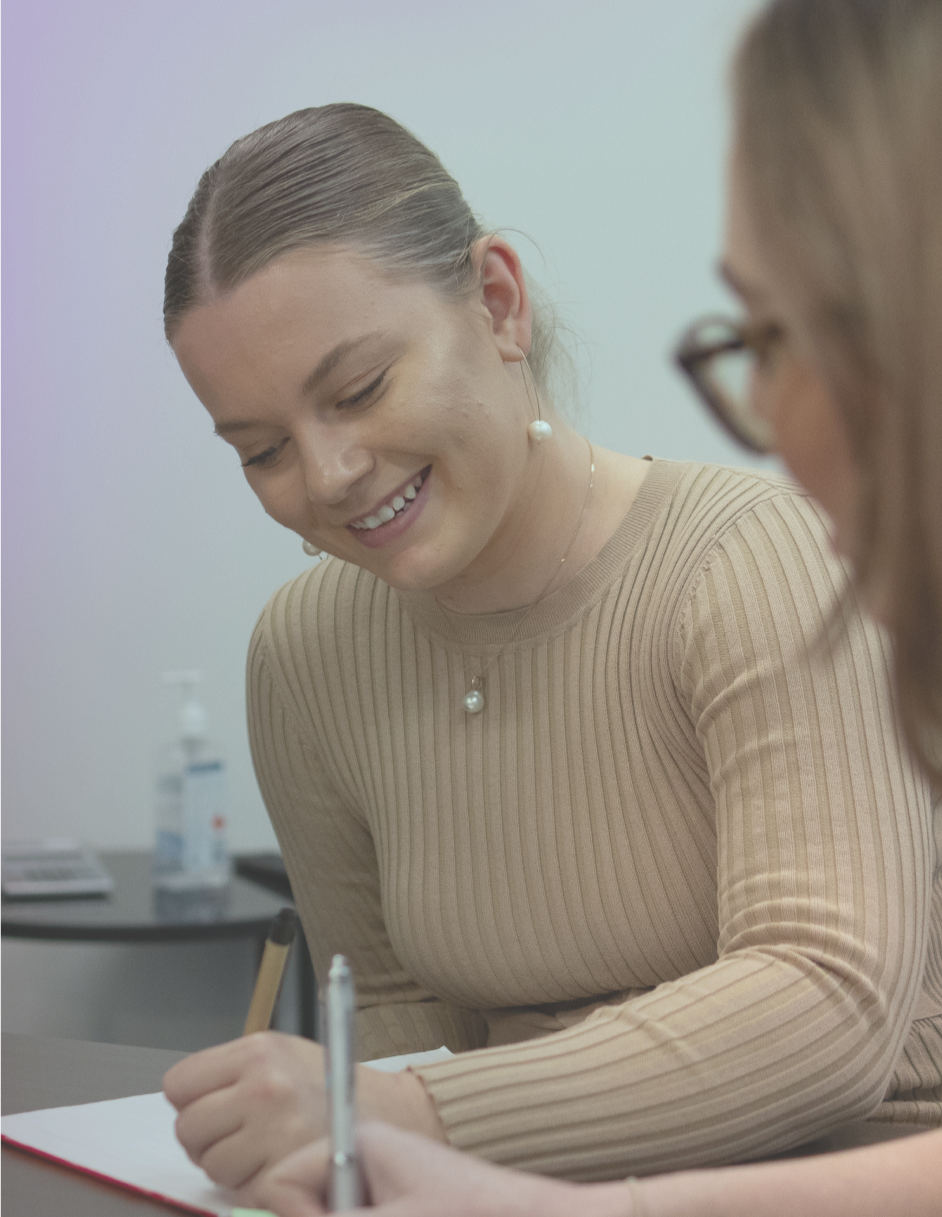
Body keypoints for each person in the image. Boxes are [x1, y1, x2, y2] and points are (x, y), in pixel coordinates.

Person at [161, 27, 941, 1194]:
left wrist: (420, 1115)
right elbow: (386, 1017)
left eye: (361, 388)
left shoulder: (755, 557)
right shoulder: (306, 654)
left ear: (497, 300)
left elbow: (827, 997)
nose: (325, 476)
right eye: (261, 448)